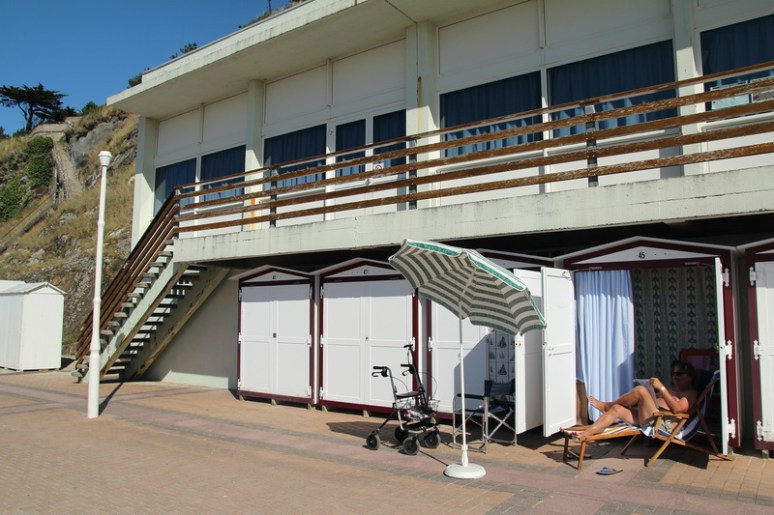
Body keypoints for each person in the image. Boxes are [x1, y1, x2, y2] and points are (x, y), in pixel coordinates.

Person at [577, 360, 698, 438]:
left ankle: (606, 406)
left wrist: (661, 388)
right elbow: (653, 402)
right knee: (617, 409)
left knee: (641, 390)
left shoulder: (691, 394)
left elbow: (677, 409)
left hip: (664, 424)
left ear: (690, 377)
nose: (675, 377)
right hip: (650, 418)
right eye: (673, 374)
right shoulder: (670, 390)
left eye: (679, 374)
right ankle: (587, 433)